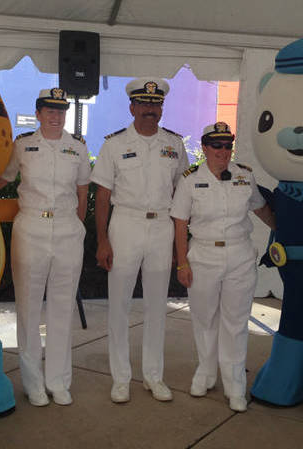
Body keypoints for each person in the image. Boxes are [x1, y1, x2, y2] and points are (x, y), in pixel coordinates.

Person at [91, 77, 189, 403]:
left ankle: (153, 375)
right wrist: (102, 240)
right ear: (132, 107)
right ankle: (121, 378)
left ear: (161, 108)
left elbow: (182, 197)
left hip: (161, 226)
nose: (150, 110)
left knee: (157, 305)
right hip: (126, 224)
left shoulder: (174, 144)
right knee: (118, 305)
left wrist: (180, 246)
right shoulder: (114, 144)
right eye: (144, 104)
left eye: (155, 104)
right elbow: (102, 196)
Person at [170, 122, 275, 412]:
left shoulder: (244, 176)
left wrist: (284, 232)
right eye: (217, 145)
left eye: (228, 146)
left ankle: (235, 384)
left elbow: (261, 208)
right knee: (204, 319)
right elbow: (180, 222)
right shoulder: (191, 179)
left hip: (240, 255)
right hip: (203, 256)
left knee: (236, 322)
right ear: (204, 148)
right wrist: (182, 263)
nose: (223, 151)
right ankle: (206, 372)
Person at [0, 88, 90, 406]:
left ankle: (59, 381)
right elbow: (2, 178)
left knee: (62, 308)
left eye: (60, 110)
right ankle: (33, 383)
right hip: (31, 227)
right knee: (29, 307)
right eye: (49, 110)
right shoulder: (22, 146)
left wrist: (77, 225)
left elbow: (82, 190)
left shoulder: (77, 148)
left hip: (66, 228)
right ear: (38, 114)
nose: (55, 115)